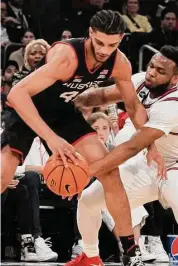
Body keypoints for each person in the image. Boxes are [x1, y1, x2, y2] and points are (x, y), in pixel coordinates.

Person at [1, 10, 164, 266]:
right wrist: (52, 139)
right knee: (2, 175)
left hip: (62, 113)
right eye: (99, 42)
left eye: (112, 44)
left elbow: (133, 107)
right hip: (27, 108)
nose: (103, 50)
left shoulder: (120, 63)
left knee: (109, 172)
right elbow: (16, 94)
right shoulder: (67, 56)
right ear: (90, 33)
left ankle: (131, 252)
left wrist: (152, 145)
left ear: (121, 40)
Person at [70, 45, 178, 265]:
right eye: (151, 66)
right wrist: (72, 99)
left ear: (175, 79)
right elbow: (102, 95)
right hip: (147, 166)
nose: (152, 72)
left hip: (174, 165)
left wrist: (87, 172)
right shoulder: (141, 81)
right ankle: (89, 256)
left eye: (160, 71)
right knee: (89, 200)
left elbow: (132, 146)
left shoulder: (173, 104)